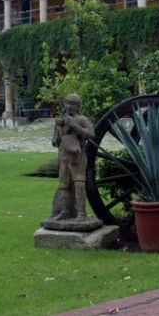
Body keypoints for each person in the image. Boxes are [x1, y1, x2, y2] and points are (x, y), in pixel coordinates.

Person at [49, 93, 95, 221]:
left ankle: (81, 213)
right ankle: (65, 211)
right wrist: (58, 131)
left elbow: (91, 133)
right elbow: (56, 141)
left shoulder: (82, 119)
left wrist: (74, 126)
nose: (69, 106)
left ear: (78, 106)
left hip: (78, 156)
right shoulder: (61, 121)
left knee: (79, 183)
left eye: (73, 104)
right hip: (64, 155)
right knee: (64, 185)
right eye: (68, 103)